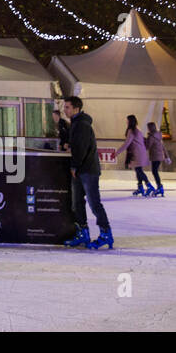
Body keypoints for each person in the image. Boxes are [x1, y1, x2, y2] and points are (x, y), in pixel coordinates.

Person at [62, 96, 113, 250]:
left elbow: (81, 148)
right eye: (65, 107)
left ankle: (106, 233)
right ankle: (83, 232)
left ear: (76, 109)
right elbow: (78, 145)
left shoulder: (82, 124)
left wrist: (74, 166)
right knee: (77, 202)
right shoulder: (76, 123)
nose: (65, 110)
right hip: (82, 170)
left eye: (67, 107)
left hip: (88, 170)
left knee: (94, 203)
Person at [115, 115, 153, 196]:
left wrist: (116, 153)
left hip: (137, 153)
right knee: (138, 170)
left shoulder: (131, 131)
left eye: (127, 120)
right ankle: (140, 187)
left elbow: (126, 144)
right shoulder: (137, 129)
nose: (126, 122)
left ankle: (149, 185)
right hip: (140, 152)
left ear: (130, 121)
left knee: (139, 170)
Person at [144, 121, 171, 197]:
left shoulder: (152, 136)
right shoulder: (159, 135)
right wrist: (166, 156)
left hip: (155, 156)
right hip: (160, 156)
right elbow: (163, 147)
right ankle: (159, 186)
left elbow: (148, 146)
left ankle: (159, 186)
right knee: (155, 171)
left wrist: (144, 140)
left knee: (154, 171)